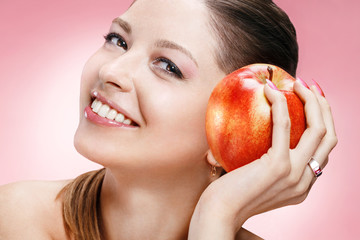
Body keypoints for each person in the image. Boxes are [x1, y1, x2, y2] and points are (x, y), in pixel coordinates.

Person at [0, 0, 337, 239]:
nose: (110, 71)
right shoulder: (17, 218)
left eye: (167, 66)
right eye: (118, 40)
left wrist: (216, 217)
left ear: (233, 127)